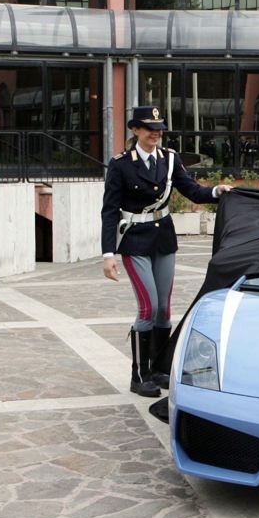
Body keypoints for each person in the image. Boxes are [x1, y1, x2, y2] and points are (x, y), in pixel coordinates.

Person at [102, 107, 232, 397]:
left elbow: (192, 190)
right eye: (149, 128)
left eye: (160, 128)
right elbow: (109, 211)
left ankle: (159, 368)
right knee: (147, 308)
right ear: (135, 130)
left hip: (163, 238)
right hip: (134, 240)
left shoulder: (170, 159)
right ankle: (139, 375)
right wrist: (108, 254)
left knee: (164, 309)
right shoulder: (121, 164)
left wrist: (216, 192)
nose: (156, 133)